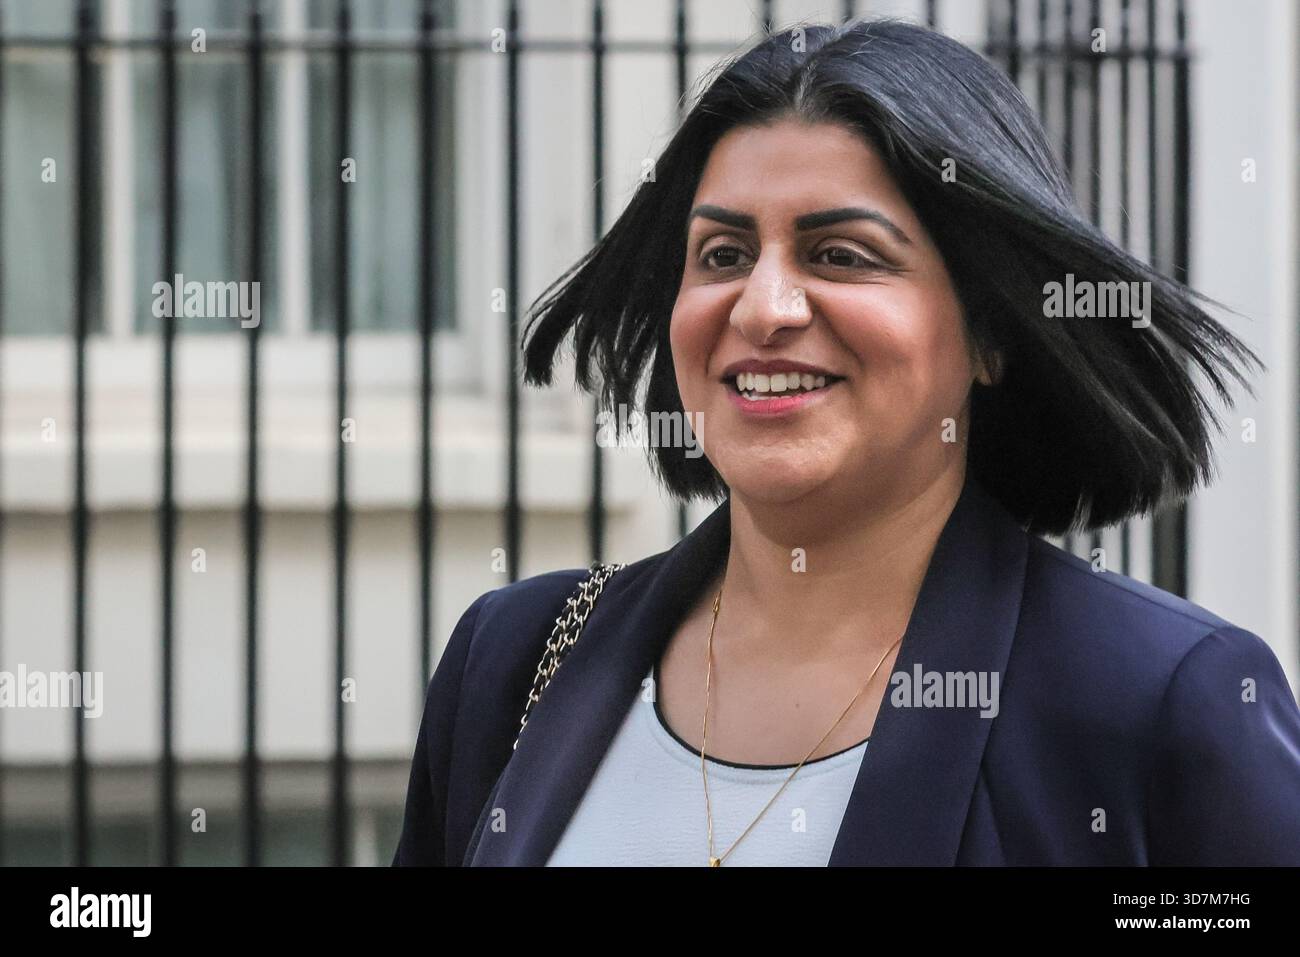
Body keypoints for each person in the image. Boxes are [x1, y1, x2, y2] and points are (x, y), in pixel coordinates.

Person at [393, 17, 1300, 866]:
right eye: (722, 255)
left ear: (990, 334)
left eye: (841, 255)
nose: (763, 307)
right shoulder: (514, 661)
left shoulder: (1159, 706)